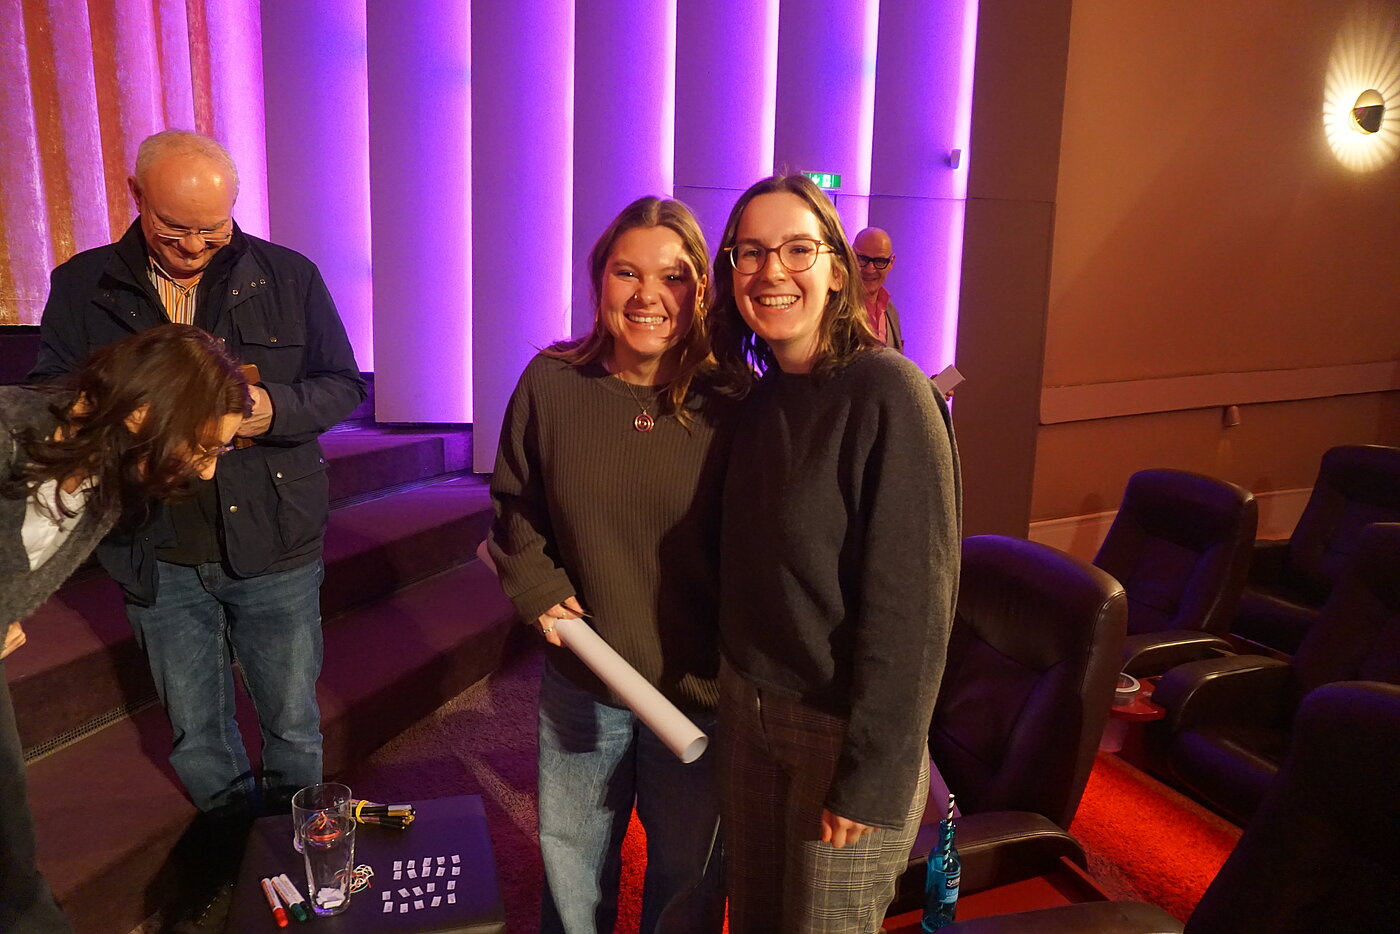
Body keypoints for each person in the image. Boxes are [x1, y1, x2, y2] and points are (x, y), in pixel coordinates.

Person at [28, 129, 364, 918]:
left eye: (212, 231)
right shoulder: (83, 284)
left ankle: (298, 856)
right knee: (196, 728)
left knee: (292, 719)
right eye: (175, 229)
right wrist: (127, 420)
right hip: (153, 539)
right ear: (136, 196)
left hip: (273, 532)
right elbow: (51, 395)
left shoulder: (287, 274)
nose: (193, 247)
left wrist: (260, 410)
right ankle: (235, 859)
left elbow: (342, 385)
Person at [709, 176, 961, 932]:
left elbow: (914, 610)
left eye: (797, 249)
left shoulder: (891, 394)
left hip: (840, 731)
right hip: (749, 712)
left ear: (837, 272)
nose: (771, 271)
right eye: (751, 252)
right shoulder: (761, 400)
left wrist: (872, 773)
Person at [488, 196, 736, 934]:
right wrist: (536, 583)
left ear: (701, 289)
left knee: (690, 877)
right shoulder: (551, 382)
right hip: (585, 676)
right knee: (572, 865)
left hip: (695, 688)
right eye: (627, 272)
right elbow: (515, 504)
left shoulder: (733, 402)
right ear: (599, 281)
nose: (647, 295)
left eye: (673, 276)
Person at [1, 325, 250, 934]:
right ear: (143, 412)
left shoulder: (115, 480)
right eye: (203, 447)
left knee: (11, 856)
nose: (207, 472)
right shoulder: (6, 431)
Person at [852, 226, 903, 352]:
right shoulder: (833, 309)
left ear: (891, 262)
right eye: (862, 259)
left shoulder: (891, 312)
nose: (870, 269)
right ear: (851, 256)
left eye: (879, 261)